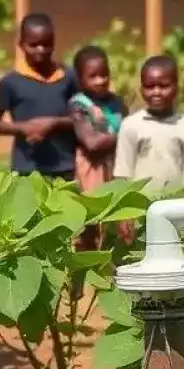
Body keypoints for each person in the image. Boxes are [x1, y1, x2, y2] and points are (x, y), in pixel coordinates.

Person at [0, 13, 77, 181]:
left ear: (54, 43)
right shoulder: (11, 82)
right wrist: (24, 128)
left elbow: (82, 117)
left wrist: (53, 124)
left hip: (64, 167)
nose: (40, 50)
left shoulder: (68, 77)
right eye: (33, 45)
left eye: (47, 44)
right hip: (26, 167)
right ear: (21, 45)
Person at [113, 54, 184, 199]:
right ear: (141, 89)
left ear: (176, 87)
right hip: (141, 209)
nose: (156, 92)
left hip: (180, 207)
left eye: (163, 86)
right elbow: (122, 176)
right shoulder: (131, 126)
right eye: (149, 86)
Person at [69, 45, 128, 248]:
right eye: (92, 76)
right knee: (93, 221)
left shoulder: (117, 102)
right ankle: (87, 274)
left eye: (104, 74)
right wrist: (125, 136)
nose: (100, 80)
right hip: (92, 169)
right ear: (79, 79)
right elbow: (92, 144)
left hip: (118, 166)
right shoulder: (79, 105)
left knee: (120, 220)